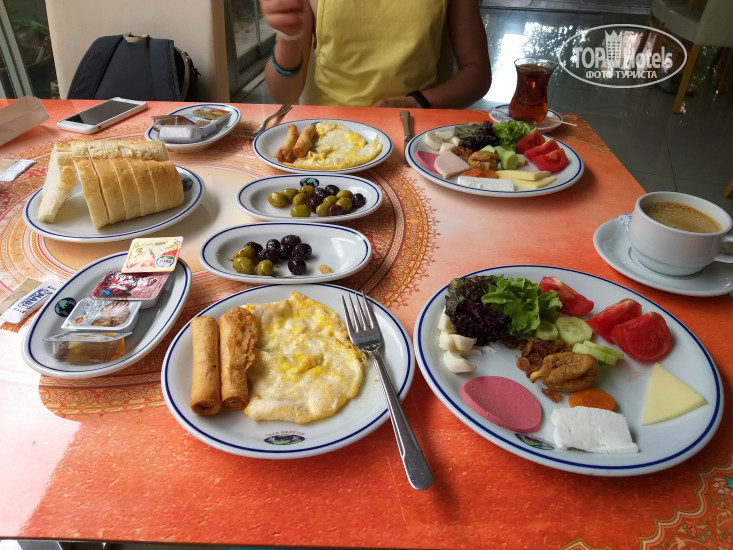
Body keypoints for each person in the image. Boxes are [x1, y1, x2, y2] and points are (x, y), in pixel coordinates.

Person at [259, 0, 492, 109]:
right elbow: (284, 93)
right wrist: (287, 35)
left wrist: (415, 103)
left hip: (412, 131)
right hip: (329, 135)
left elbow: (477, 74)